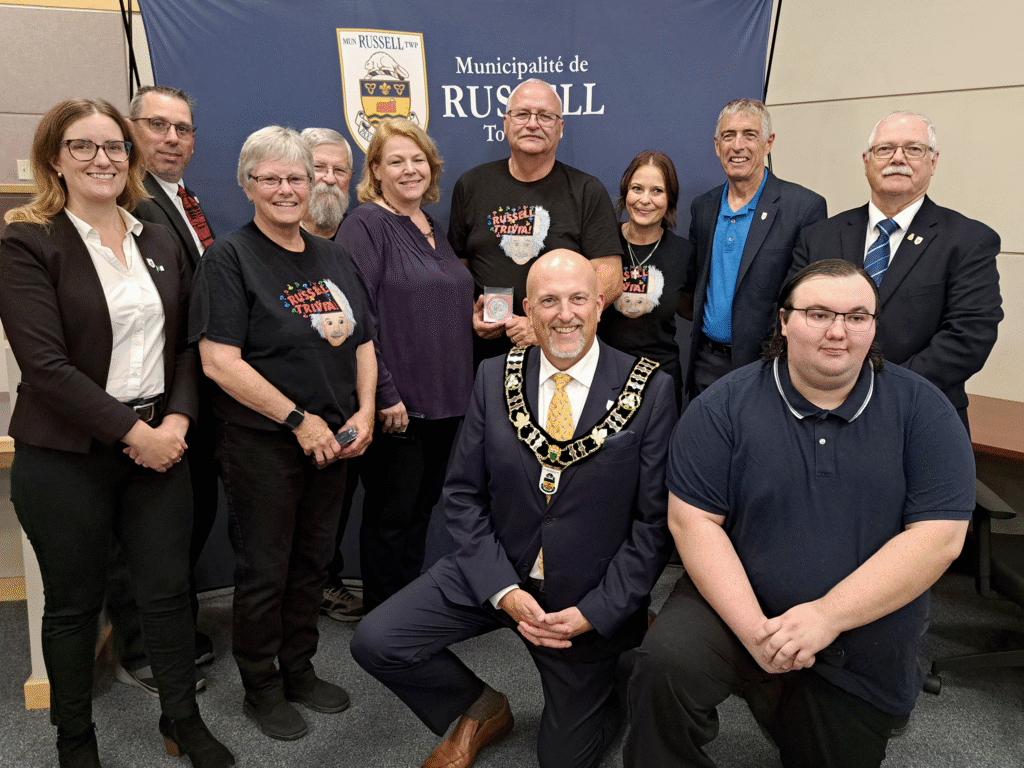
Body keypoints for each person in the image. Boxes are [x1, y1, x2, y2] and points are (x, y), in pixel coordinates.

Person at [623, 259, 976, 768]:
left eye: (857, 317)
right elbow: (692, 523)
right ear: (784, 321)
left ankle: (791, 703)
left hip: (860, 624)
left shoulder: (924, 409)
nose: (838, 331)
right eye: (818, 314)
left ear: (874, 326)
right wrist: (753, 631)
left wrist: (826, 616)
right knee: (662, 666)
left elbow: (939, 538)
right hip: (736, 607)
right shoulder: (722, 406)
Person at [352, 250, 676, 768]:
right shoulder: (494, 377)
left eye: (577, 299)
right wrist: (502, 589)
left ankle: (616, 670)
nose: (564, 314)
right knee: (376, 641)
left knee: (565, 760)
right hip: (494, 568)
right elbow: (462, 494)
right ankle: (478, 707)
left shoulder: (651, 390)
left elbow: (653, 525)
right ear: (528, 308)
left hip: (581, 599)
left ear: (599, 306)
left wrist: (600, 612)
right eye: (549, 301)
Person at [0, 98, 232, 768]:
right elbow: (44, 367)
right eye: (82, 147)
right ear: (55, 158)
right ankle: (75, 742)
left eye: (112, 147)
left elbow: (188, 345)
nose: (102, 160)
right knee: (74, 608)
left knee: (167, 595)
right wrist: (136, 432)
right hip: (66, 455)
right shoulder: (27, 239)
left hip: (162, 447)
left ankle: (182, 721)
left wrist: (179, 420)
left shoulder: (155, 236)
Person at [189, 126, 376, 742]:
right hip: (264, 445)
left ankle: (298, 670)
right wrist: (298, 420)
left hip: (334, 445)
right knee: (265, 570)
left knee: (311, 565)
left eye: (297, 176)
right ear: (247, 187)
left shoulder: (332, 255)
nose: (286, 189)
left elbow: (365, 341)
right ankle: (261, 687)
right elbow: (219, 361)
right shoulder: (230, 259)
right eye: (269, 178)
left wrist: (366, 412)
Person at [104, 83, 217, 696]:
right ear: (130, 131)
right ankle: (143, 646)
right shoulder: (124, 203)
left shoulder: (183, 199)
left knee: (184, 524)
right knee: (143, 534)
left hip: (190, 390)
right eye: (157, 125)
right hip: (147, 398)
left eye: (183, 128)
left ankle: (170, 630)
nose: (172, 138)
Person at [336, 117, 474, 613]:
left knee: (419, 513)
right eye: (396, 160)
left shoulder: (432, 227)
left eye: (418, 159)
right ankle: (383, 624)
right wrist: (385, 394)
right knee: (391, 519)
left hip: (447, 400)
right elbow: (358, 317)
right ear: (375, 169)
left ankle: (405, 615)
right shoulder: (365, 225)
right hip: (401, 405)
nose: (410, 169)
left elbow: (439, 300)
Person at [790, 110, 1002, 432]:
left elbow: (969, 337)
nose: (898, 158)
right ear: (866, 161)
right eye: (885, 149)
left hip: (920, 416)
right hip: (821, 412)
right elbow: (794, 317)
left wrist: (880, 390)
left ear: (933, 162)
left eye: (914, 149)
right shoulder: (819, 237)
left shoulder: (968, 241)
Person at [447, 78, 623, 360]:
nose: (532, 124)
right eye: (522, 114)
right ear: (505, 123)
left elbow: (610, 276)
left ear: (560, 128)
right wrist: (469, 311)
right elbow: (457, 267)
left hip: (562, 353)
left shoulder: (586, 191)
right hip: (486, 356)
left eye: (545, 116)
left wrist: (544, 324)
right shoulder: (471, 185)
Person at [685, 98, 827, 398]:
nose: (738, 146)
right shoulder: (703, 208)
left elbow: (807, 300)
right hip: (705, 365)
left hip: (769, 367)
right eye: (728, 135)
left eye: (749, 135)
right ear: (716, 145)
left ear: (768, 142)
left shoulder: (803, 208)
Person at [597, 150, 693, 406]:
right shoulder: (601, 243)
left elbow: (690, 309)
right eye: (637, 188)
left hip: (660, 380)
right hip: (604, 376)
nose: (645, 200)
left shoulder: (684, 253)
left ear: (670, 198)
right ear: (625, 192)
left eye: (657, 191)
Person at [300, 127, 354, 239]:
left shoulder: (361, 235)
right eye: (319, 167)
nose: (330, 179)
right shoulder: (277, 237)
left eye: (339, 170)